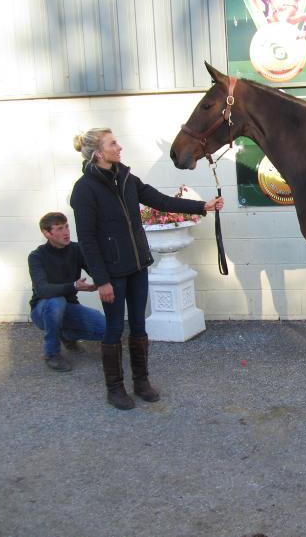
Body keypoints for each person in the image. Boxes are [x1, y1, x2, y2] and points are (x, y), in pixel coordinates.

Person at [70, 128, 223, 410]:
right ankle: (114, 388)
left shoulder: (126, 177)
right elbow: (88, 240)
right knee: (115, 328)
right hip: (112, 274)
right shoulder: (84, 190)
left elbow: (160, 200)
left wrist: (203, 206)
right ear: (98, 153)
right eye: (113, 143)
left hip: (138, 265)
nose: (119, 147)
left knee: (139, 326)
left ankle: (141, 382)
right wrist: (101, 280)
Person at [28, 212, 106, 372]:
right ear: (46, 233)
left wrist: (101, 282)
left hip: (69, 307)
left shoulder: (76, 249)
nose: (66, 232)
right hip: (42, 310)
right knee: (56, 301)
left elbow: (95, 270)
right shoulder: (36, 257)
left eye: (66, 226)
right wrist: (73, 286)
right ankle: (52, 354)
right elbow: (43, 289)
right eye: (59, 228)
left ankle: (67, 335)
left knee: (107, 330)